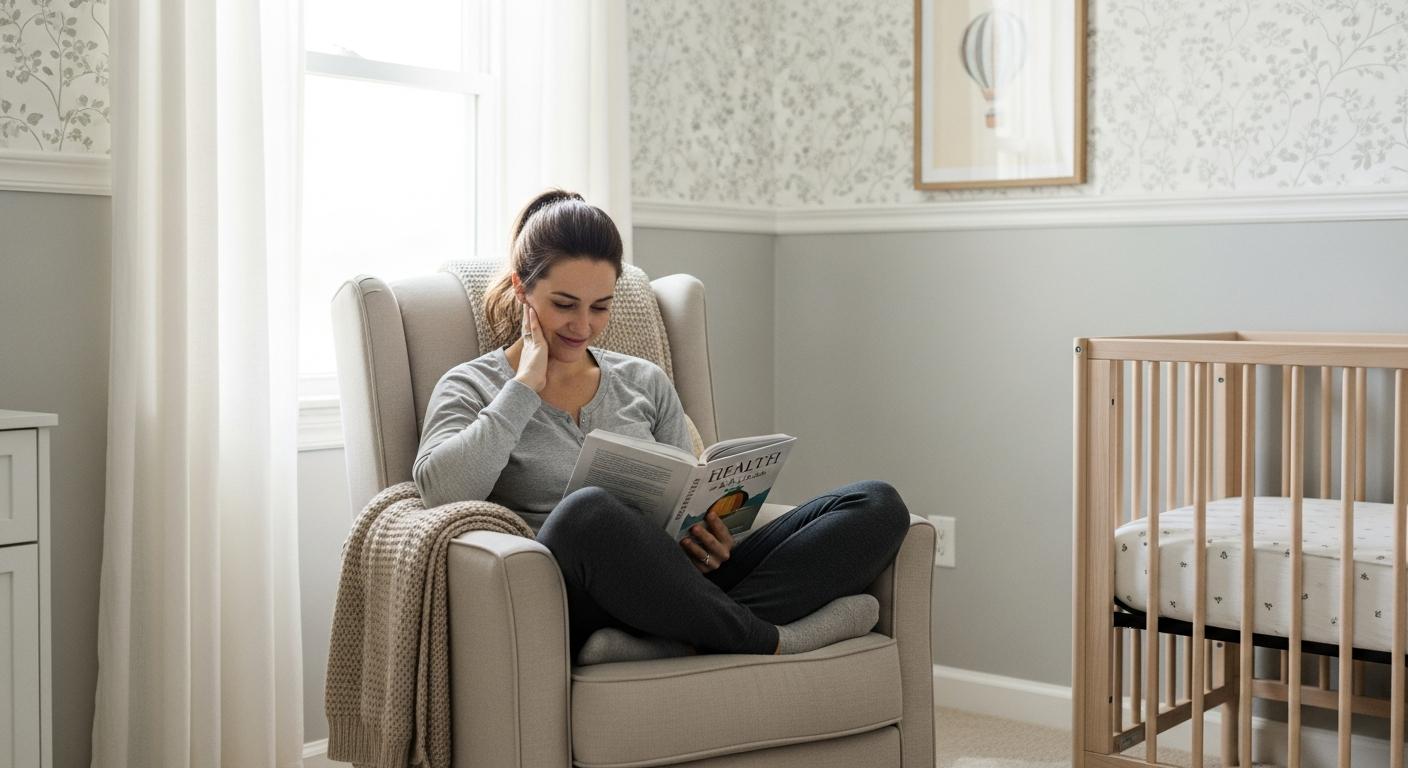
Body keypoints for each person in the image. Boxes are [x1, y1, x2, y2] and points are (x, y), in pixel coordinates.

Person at [413, 189, 912, 665]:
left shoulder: (643, 381)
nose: (582, 326)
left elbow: (687, 495)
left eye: (600, 306)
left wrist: (711, 541)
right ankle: (766, 637)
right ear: (522, 289)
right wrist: (523, 388)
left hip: (678, 584)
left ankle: (676, 641)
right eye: (564, 304)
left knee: (877, 504)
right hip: (577, 594)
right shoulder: (474, 385)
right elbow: (441, 492)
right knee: (586, 512)